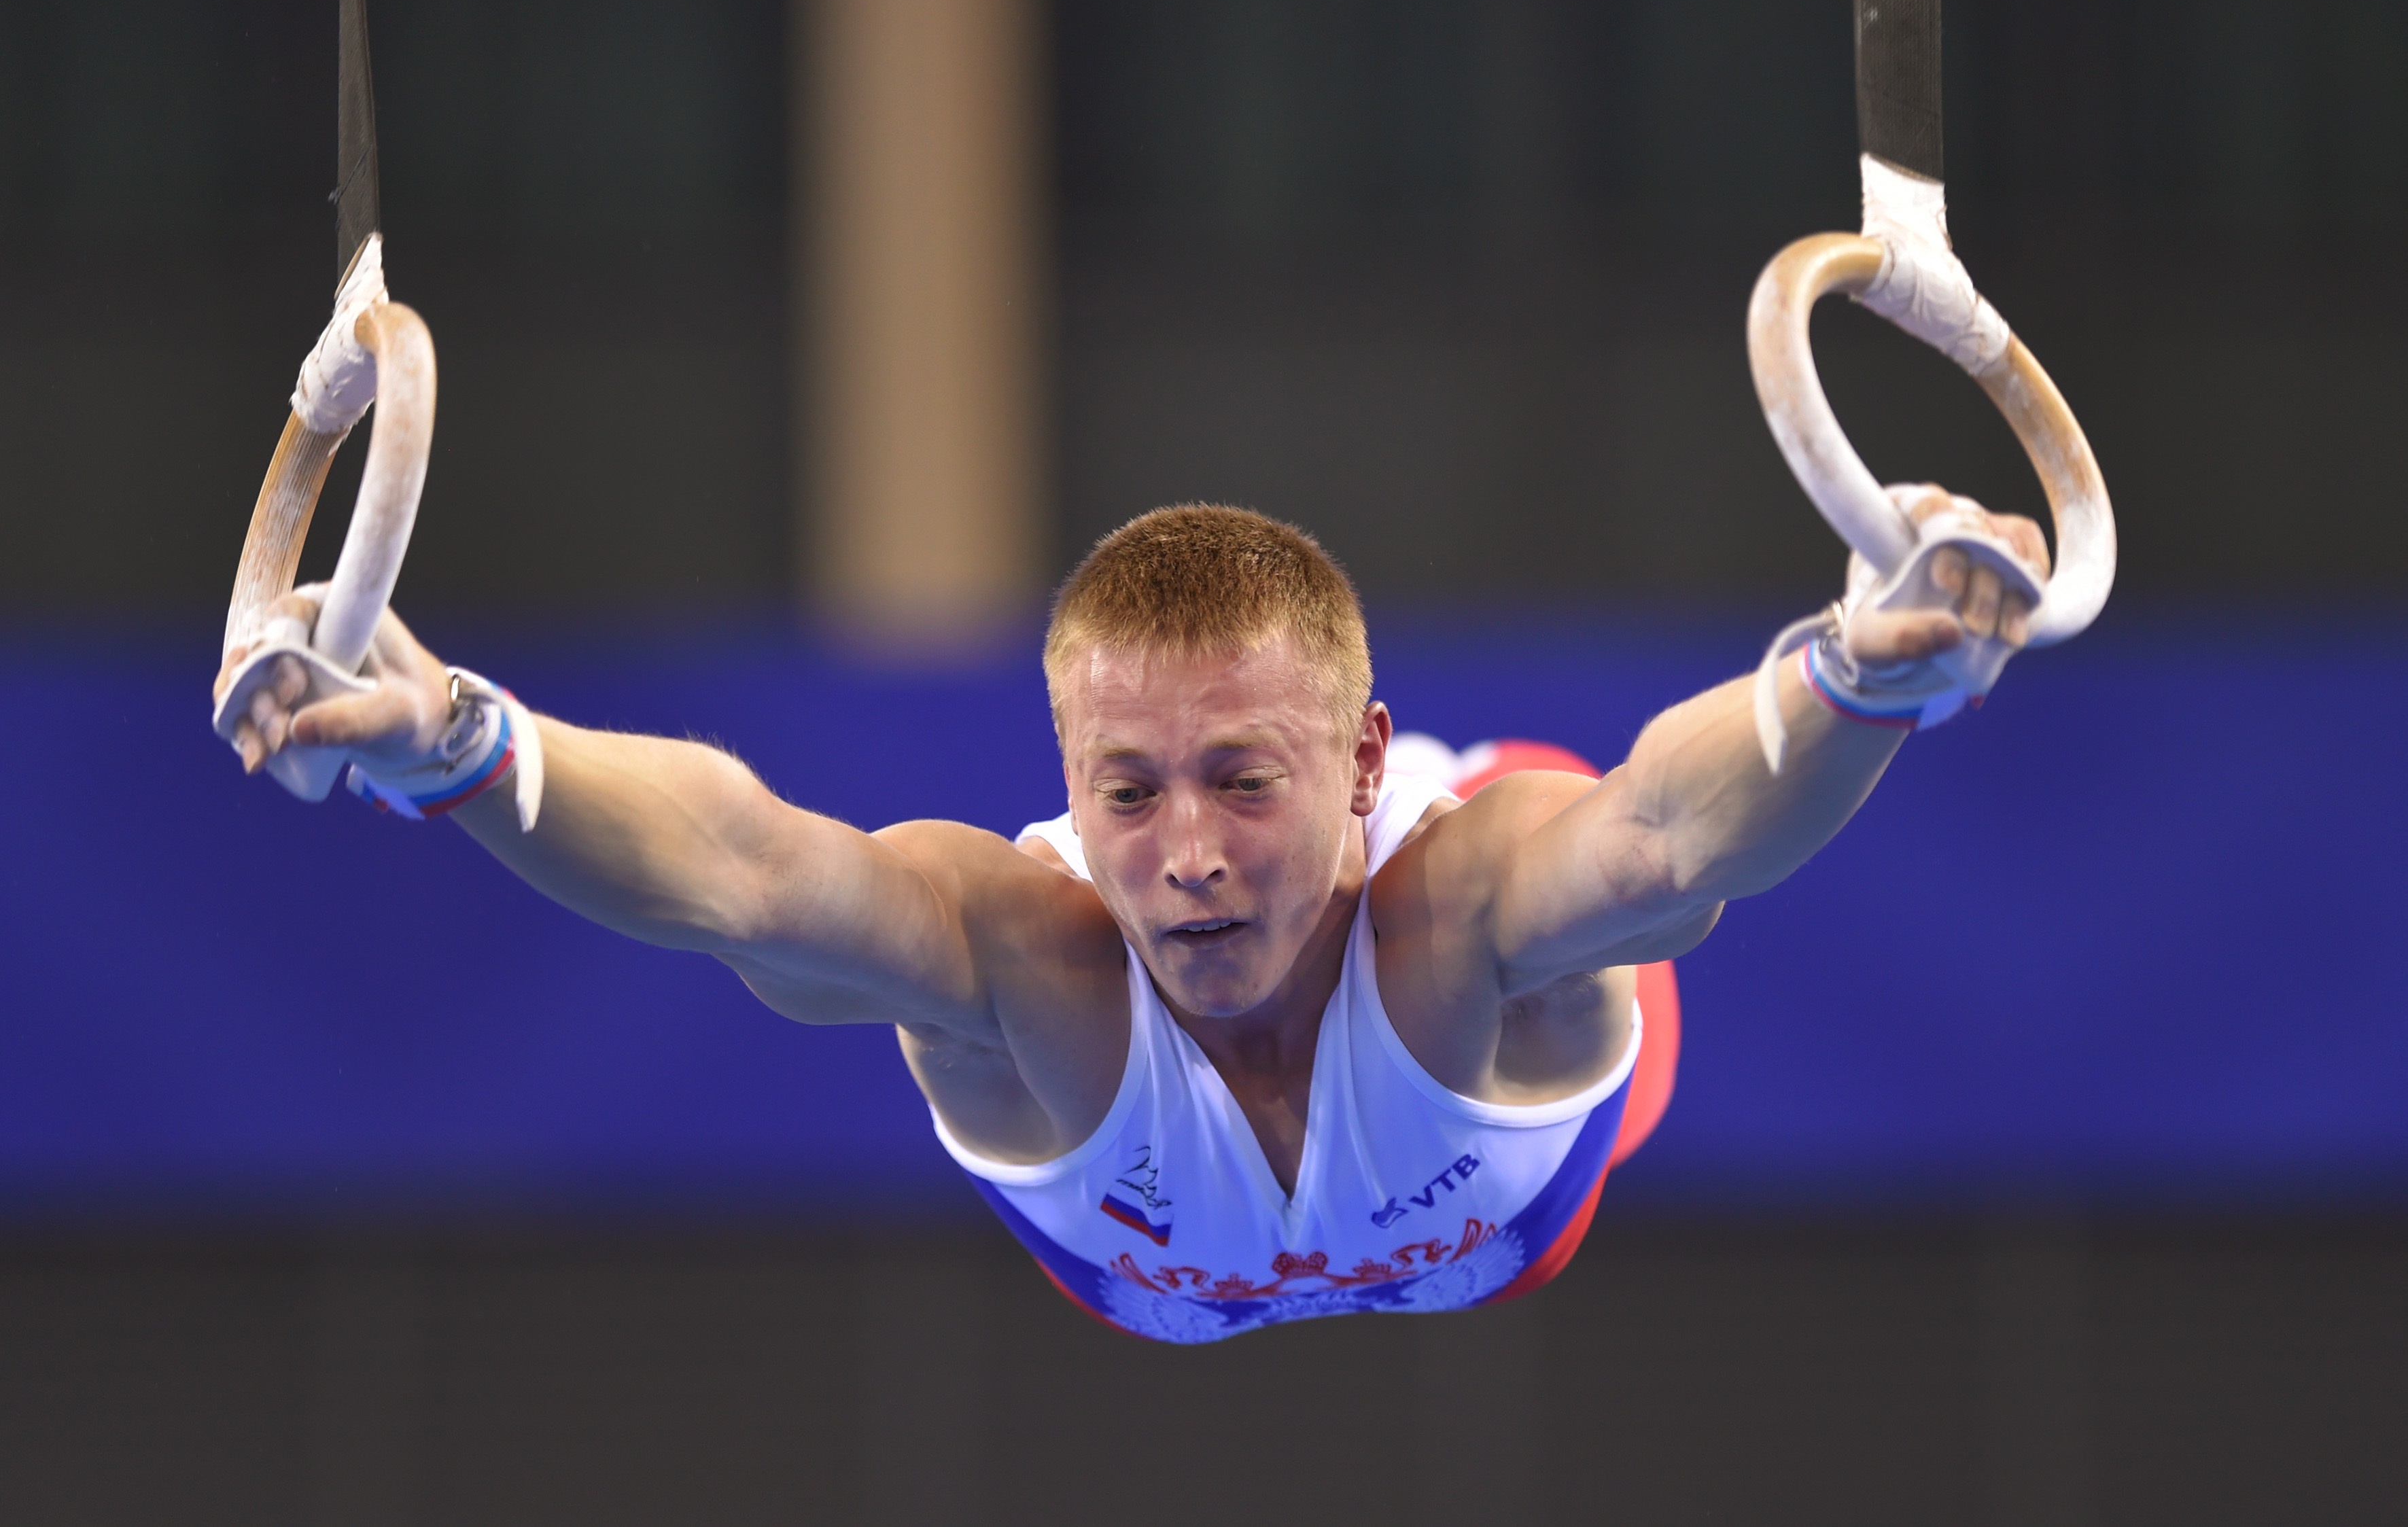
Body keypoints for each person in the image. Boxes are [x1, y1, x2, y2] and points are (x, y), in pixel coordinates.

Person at [215, 496, 2048, 1342]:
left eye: (1245, 781)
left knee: (1589, 883)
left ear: (1359, 761)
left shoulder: (1450, 912)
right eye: (1129, 789)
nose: (1184, 857)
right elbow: (753, 870)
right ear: (1065, 776)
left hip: (1510, 1164)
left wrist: (1854, 686)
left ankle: (1481, 771)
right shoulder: (1039, 955)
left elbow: (1660, 840)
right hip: (1155, 1224)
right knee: (892, 940)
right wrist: (461, 748)